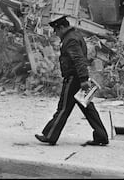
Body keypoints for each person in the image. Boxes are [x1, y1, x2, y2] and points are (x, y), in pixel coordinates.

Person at [35, 15, 109, 146]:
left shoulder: (71, 40)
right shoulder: (76, 35)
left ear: (62, 27)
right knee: (88, 108)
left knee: (63, 108)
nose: (56, 34)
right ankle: (101, 136)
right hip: (79, 78)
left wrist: (83, 79)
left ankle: (50, 135)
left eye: (57, 31)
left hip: (74, 79)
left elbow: (78, 59)